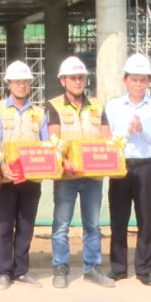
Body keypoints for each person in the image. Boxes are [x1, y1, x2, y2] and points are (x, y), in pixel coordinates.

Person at [105, 53, 151, 286]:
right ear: (125, 80)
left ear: (149, 81)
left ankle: (143, 269)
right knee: (118, 218)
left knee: (146, 218)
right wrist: (126, 133)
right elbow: (107, 137)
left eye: (143, 79)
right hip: (121, 166)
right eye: (134, 79)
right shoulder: (113, 106)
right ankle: (118, 267)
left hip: (147, 167)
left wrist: (143, 130)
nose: (138, 84)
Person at [47, 56, 113, 289]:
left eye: (81, 77)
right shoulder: (54, 105)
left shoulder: (97, 105)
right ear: (63, 81)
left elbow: (107, 138)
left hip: (93, 177)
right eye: (73, 77)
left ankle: (92, 268)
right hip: (67, 176)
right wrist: (63, 163)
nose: (77, 81)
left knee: (93, 224)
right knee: (62, 223)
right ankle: (60, 267)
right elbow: (53, 140)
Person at [0, 61, 48, 289]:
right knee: (4, 226)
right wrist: (1, 165)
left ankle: (21, 271)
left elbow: (45, 144)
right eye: (17, 81)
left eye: (25, 81)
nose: (21, 85)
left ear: (30, 84)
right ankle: (4, 271)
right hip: (7, 177)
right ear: (9, 84)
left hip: (31, 179)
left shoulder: (39, 113)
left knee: (26, 225)